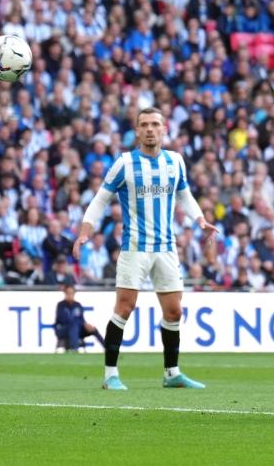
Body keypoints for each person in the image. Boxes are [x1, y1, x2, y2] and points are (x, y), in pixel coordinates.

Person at [74, 106, 219, 391]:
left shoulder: (175, 161)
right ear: (137, 131)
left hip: (166, 247)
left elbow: (185, 195)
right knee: (124, 308)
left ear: (164, 129)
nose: (150, 129)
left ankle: (172, 373)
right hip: (135, 247)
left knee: (174, 311)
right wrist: (84, 231)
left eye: (155, 124)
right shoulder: (125, 163)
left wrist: (200, 220)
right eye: (144, 125)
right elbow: (101, 199)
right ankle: (110, 375)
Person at [55, 284, 105, 352]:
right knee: (74, 325)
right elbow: (62, 319)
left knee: (92, 329)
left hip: (77, 329)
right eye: (68, 293)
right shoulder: (61, 305)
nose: (70, 295)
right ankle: (74, 349)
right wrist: (78, 322)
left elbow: (81, 319)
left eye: (72, 293)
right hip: (63, 329)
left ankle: (107, 348)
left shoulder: (77, 305)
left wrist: (85, 325)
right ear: (65, 294)